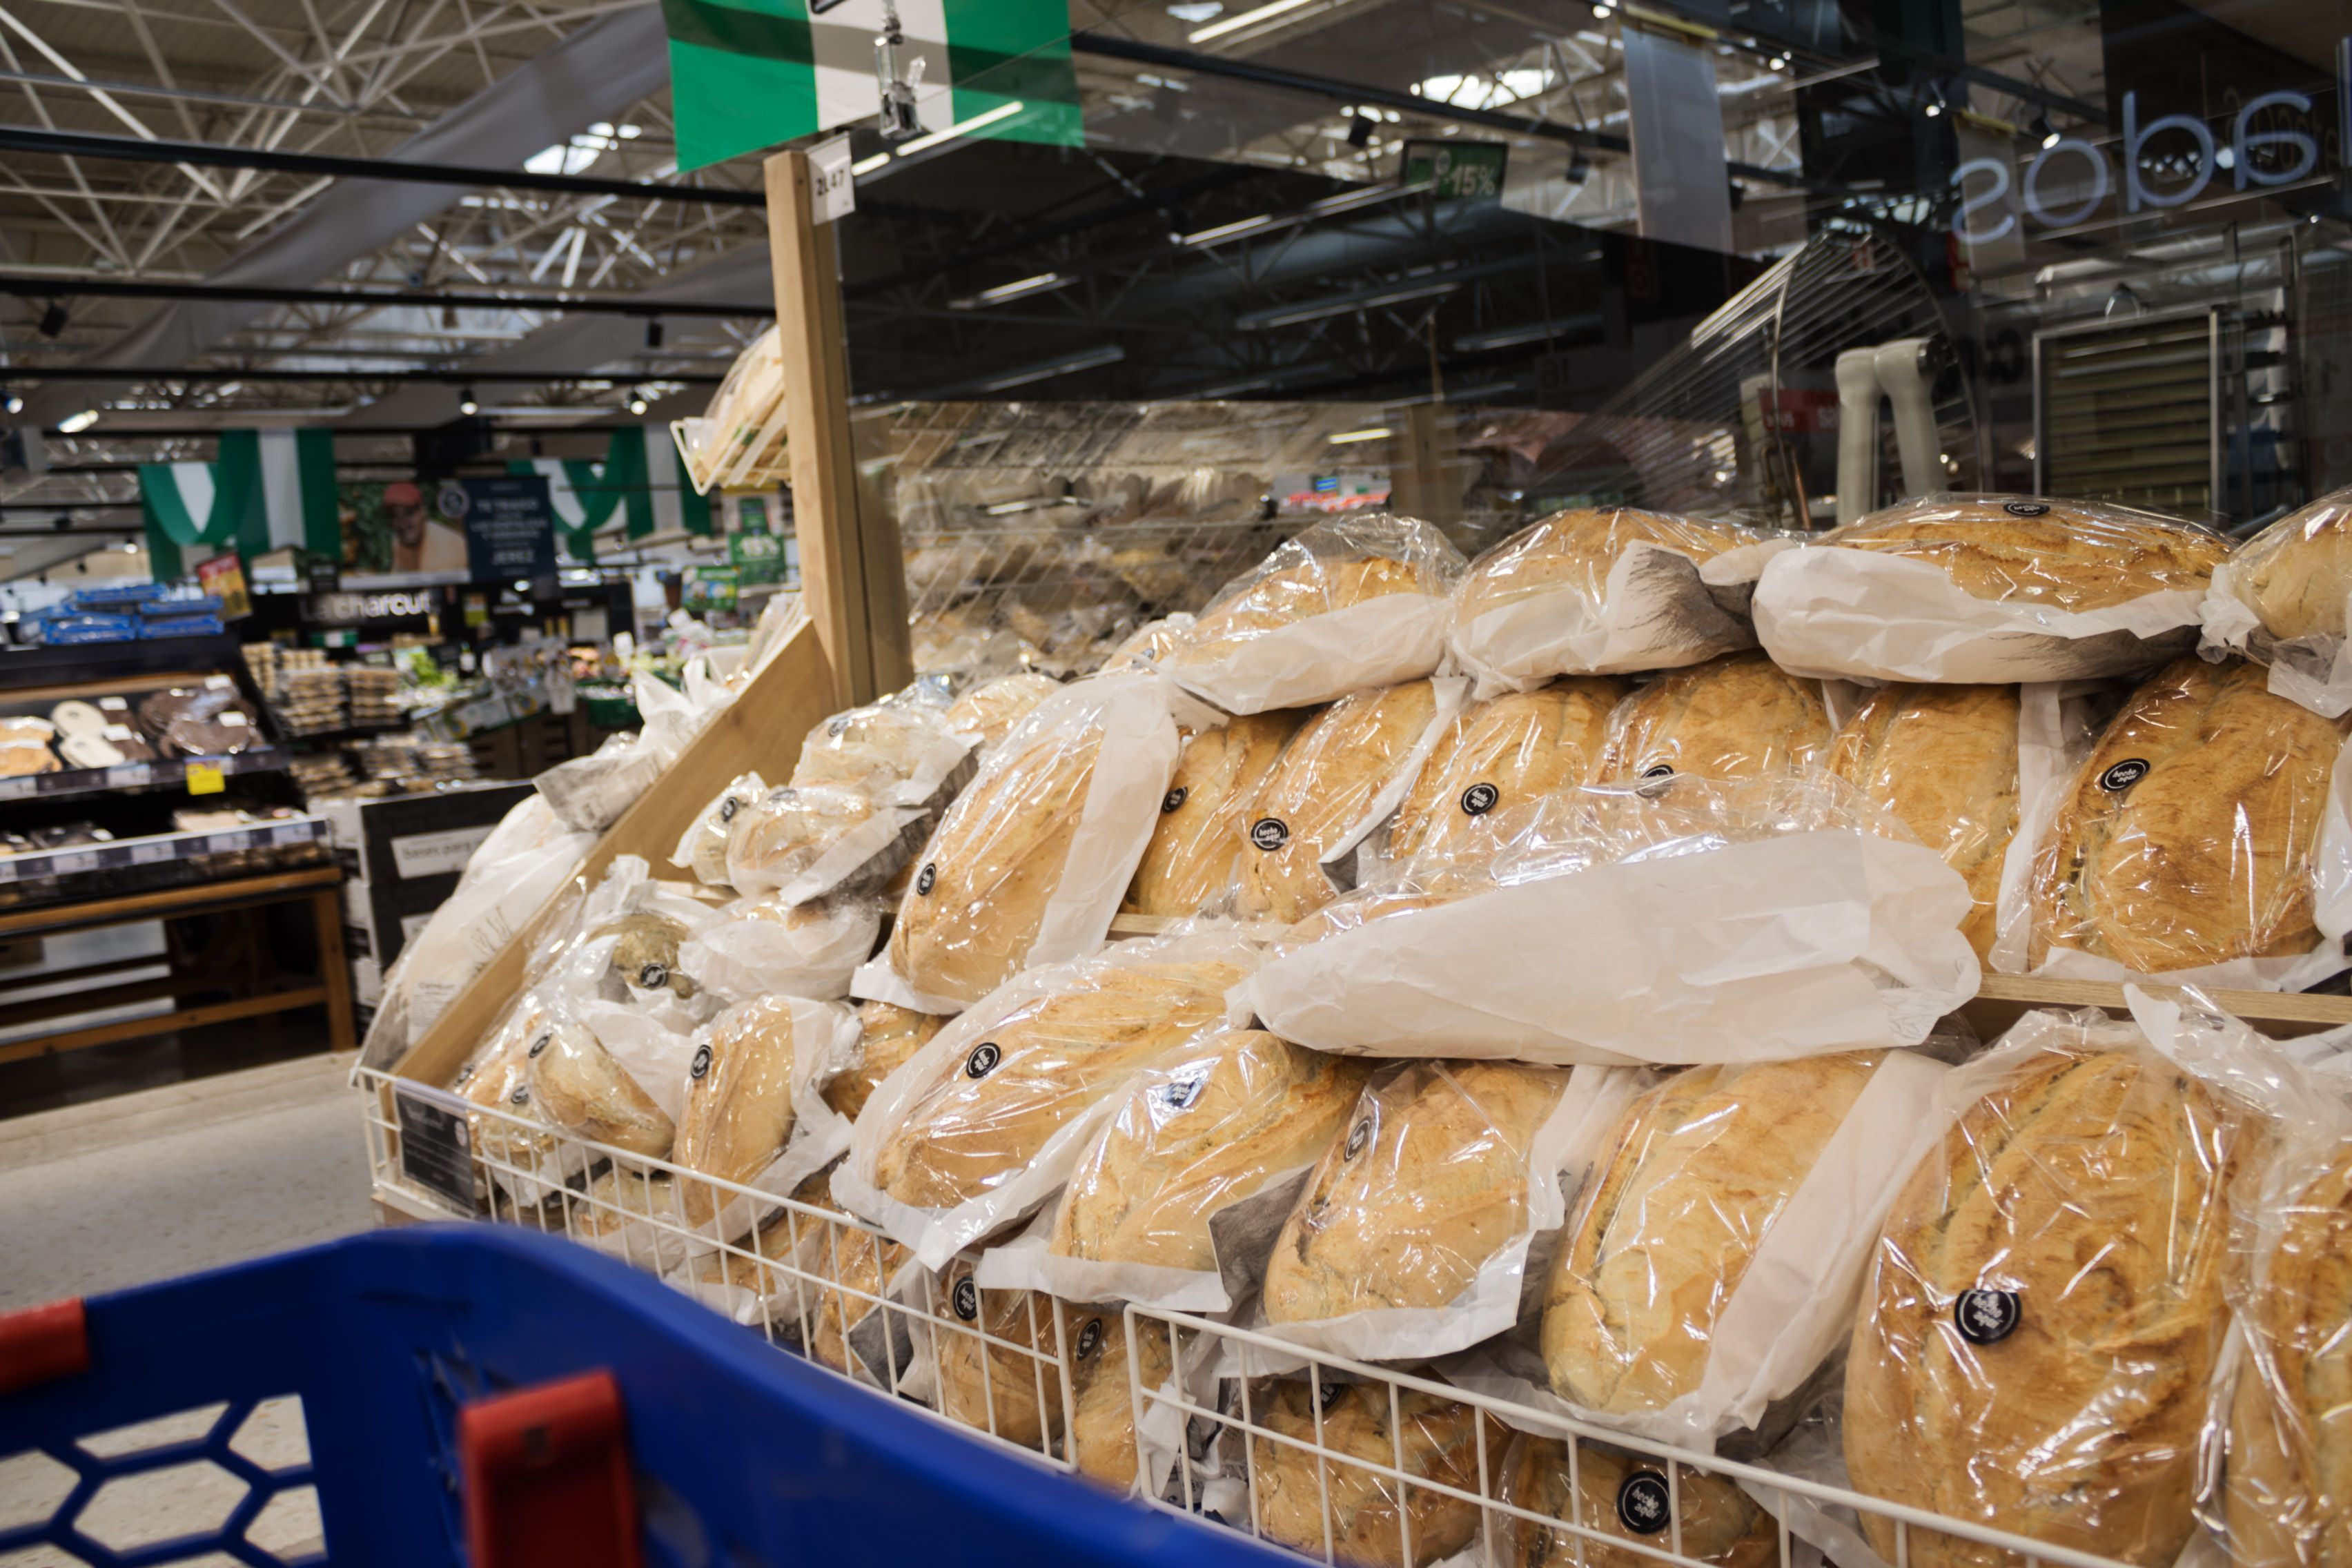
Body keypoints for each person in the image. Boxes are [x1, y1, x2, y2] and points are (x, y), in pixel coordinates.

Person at [386, 480, 469, 574]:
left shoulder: (446, 551)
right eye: (395, 516)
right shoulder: (400, 542)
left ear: (423, 512)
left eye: (409, 513)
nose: (403, 524)